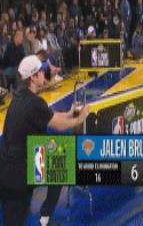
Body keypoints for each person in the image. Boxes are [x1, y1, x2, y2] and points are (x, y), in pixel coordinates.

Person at [0, 55, 90, 226]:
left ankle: (44, 219)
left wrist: (69, 114)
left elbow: (50, 116)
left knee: (61, 163)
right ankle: (44, 219)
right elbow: (59, 125)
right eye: (41, 71)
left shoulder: (20, 97)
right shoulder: (33, 103)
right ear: (32, 77)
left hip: (13, 165)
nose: (44, 73)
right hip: (18, 175)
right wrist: (79, 118)